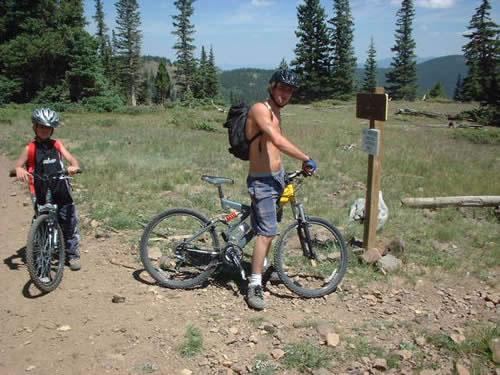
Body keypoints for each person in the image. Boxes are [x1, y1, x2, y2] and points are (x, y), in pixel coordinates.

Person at [245, 70, 317, 310]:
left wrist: (286, 172)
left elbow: (273, 150)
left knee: (270, 225)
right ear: (272, 87)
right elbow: (275, 140)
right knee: (266, 232)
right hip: (262, 181)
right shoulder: (260, 109)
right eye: (282, 88)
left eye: (290, 91)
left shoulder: (276, 112)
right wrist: (305, 157)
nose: (285, 94)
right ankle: (254, 284)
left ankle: (263, 267)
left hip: (276, 178)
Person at [15, 108, 82, 271]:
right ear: (35, 128)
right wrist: (19, 169)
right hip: (39, 188)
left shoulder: (57, 144)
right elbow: (17, 165)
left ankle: (71, 253)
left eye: (48, 128)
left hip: (60, 186)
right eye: (41, 127)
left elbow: (70, 157)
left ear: (52, 130)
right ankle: (39, 249)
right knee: (41, 218)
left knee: (68, 219)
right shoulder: (30, 148)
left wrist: (74, 165)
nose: (44, 130)